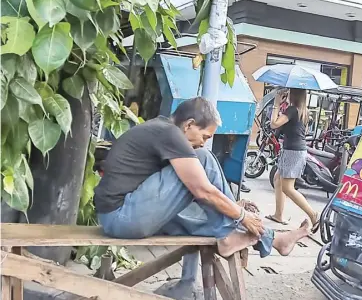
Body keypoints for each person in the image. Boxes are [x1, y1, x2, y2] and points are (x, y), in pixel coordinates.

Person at [94, 97, 310, 258]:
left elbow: (199, 194)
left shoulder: (162, 129)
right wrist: (240, 214)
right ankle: (228, 238)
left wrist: (232, 208)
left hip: (121, 217)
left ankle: (273, 239)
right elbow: (203, 190)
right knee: (203, 159)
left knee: (206, 215)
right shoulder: (170, 134)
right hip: (123, 217)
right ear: (188, 125)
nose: (204, 141)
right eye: (205, 135)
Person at [267, 88, 319, 232]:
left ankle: (313, 215)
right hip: (293, 150)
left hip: (293, 151)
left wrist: (276, 104)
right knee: (278, 179)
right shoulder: (302, 110)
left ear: (293, 94)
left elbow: (274, 124)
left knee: (288, 188)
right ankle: (278, 215)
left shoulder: (292, 110)